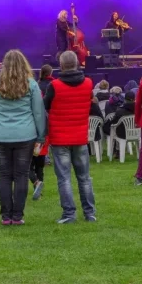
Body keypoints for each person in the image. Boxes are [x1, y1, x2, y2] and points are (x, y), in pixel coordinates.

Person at [0, 50, 47, 226]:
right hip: (25, 135)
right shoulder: (31, 84)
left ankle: (6, 216)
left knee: (4, 176)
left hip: (1, 134)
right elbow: (38, 112)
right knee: (21, 175)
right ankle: (18, 216)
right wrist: (41, 135)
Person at [43, 51, 96, 223]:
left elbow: (46, 106)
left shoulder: (55, 86)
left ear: (61, 65)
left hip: (60, 138)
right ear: (77, 63)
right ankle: (90, 213)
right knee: (85, 177)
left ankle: (69, 214)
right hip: (80, 137)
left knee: (64, 178)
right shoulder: (88, 83)